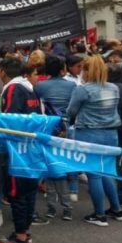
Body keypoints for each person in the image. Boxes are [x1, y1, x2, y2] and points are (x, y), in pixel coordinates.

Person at [67, 56, 122, 226]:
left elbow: (71, 111)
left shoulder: (83, 90)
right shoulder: (113, 88)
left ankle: (99, 215)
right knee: (107, 172)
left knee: (94, 174)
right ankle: (117, 210)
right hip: (111, 134)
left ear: (87, 70)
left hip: (90, 133)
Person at [0, 58, 41, 243]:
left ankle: (20, 235)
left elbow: (10, 119)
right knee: (29, 189)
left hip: (17, 148)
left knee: (17, 191)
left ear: (2, 71)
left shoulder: (13, 88)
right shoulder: (30, 88)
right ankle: (25, 231)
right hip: (30, 146)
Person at [35, 55, 76, 221]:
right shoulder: (72, 85)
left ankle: (51, 207)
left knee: (49, 168)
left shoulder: (39, 86)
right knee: (64, 168)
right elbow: (74, 108)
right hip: (66, 128)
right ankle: (67, 206)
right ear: (62, 69)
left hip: (48, 128)